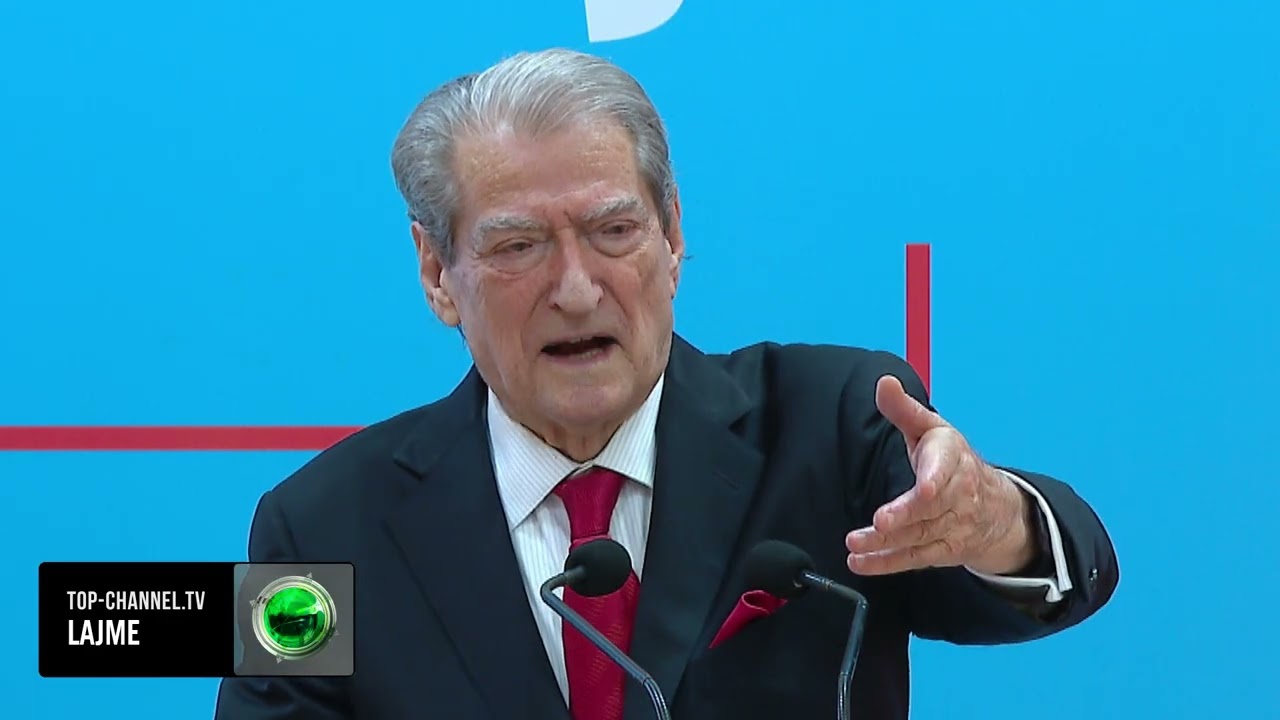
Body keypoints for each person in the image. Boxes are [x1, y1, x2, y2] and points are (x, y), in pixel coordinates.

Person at [213, 48, 1118, 720]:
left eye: (614, 232)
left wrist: (993, 520)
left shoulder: (834, 426)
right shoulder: (315, 529)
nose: (576, 290)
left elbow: (1072, 571)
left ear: (673, 234)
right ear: (436, 273)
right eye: (519, 245)